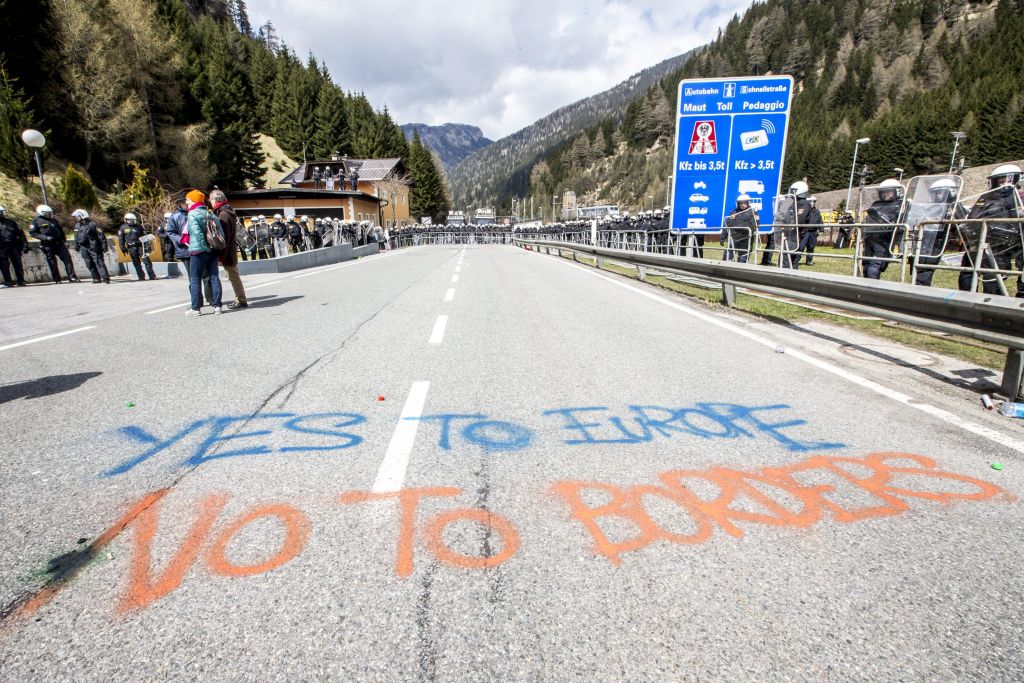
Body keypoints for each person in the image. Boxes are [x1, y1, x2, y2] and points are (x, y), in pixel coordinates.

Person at [959, 164, 1023, 296]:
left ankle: (993, 307)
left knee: (993, 280)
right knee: (967, 274)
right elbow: (973, 217)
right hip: (978, 242)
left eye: (1008, 181)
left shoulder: (1019, 198)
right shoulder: (985, 198)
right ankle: (966, 300)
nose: (1004, 185)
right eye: (1000, 181)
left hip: (1003, 245)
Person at [910, 179, 966, 287]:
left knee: (925, 269)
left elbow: (961, 225)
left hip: (937, 242)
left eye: (941, 192)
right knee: (917, 268)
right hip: (924, 240)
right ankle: (916, 289)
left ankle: (920, 291)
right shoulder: (931, 207)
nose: (938, 195)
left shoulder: (955, 206)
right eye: (936, 193)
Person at [183, 189, 223, 316]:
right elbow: (220, 233)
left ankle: (195, 309)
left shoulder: (192, 214)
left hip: (198, 251)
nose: (186, 202)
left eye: (188, 199)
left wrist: (204, 246)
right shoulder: (210, 214)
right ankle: (218, 306)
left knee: (195, 279)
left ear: (194, 200)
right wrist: (213, 247)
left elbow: (196, 233)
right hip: (212, 251)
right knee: (214, 277)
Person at [210, 189, 248, 310]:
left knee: (233, 276)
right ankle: (240, 299)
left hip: (227, 251)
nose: (210, 202)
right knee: (233, 275)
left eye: (211, 200)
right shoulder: (226, 211)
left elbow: (224, 237)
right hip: (230, 250)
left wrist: (221, 256)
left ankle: (241, 299)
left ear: (216, 200)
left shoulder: (223, 214)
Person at [860, 179, 904, 279]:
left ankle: (873, 289)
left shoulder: (900, 205)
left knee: (874, 269)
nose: (886, 194)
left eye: (889, 192)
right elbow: (868, 219)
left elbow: (899, 222)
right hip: (870, 238)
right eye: (883, 192)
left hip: (885, 240)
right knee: (866, 267)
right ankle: (866, 290)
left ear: (896, 192)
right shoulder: (876, 204)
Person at [29, 205, 79, 284]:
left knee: (67, 260)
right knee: (52, 263)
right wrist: (45, 237)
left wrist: (64, 240)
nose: (49, 215)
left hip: (59, 244)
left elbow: (60, 231)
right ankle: (57, 279)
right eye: (47, 213)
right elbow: (33, 233)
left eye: (50, 213)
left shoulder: (53, 220)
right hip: (48, 245)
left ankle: (72, 277)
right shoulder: (35, 221)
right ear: (41, 213)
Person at [71, 209, 110, 284]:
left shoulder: (92, 224)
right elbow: (76, 237)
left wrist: (104, 245)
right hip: (83, 248)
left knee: (99, 262)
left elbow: (101, 235)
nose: (77, 217)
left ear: (82, 215)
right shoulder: (77, 226)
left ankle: (105, 278)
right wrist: (76, 245)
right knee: (89, 263)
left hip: (94, 246)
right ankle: (96, 278)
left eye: (78, 216)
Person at [118, 213, 156, 280]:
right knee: (136, 262)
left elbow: (145, 236)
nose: (131, 221)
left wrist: (148, 245)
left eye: (132, 220)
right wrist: (122, 247)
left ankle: (152, 276)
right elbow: (121, 238)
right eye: (129, 220)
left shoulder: (139, 227)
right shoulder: (123, 227)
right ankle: (141, 276)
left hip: (140, 247)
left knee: (147, 261)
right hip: (131, 247)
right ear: (126, 220)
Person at [724, 194, 759, 263]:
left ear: (748, 203)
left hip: (746, 239)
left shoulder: (753, 212)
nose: (743, 205)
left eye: (744, 203)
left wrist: (748, 229)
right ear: (738, 204)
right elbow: (728, 224)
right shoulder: (733, 212)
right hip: (734, 238)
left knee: (742, 259)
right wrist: (723, 236)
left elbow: (756, 224)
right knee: (726, 257)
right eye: (741, 203)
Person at [0, 206, 29, 288]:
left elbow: (21, 234)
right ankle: (8, 282)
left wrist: (25, 245)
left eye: (2, 213)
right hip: (1, 248)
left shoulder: (11, 222)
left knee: (18, 264)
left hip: (13, 246)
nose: (1, 214)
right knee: (4, 266)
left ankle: (21, 281)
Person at [794, 196, 823, 265]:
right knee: (801, 247)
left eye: (814, 201)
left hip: (813, 232)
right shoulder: (805, 209)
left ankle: (809, 261)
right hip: (805, 231)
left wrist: (821, 229)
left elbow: (820, 221)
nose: (812, 203)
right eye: (811, 201)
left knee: (811, 247)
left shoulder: (817, 211)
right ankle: (796, 260)